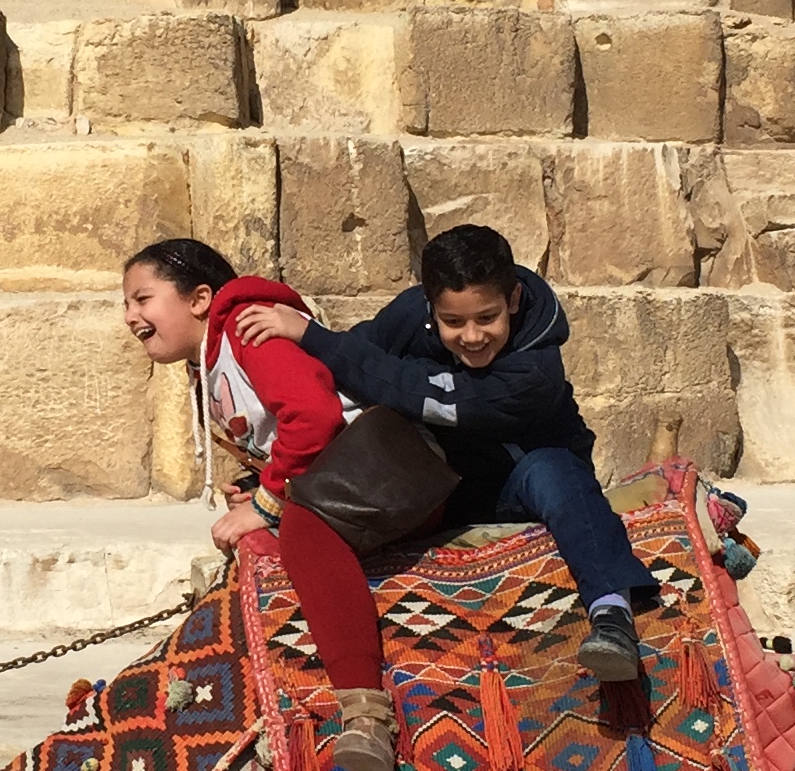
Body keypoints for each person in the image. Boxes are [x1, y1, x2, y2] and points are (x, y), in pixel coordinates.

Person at [234, 222, 657, 684]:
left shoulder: (536, 370)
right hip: (435, 483)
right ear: (431, 307)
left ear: (513, 301)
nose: (472, 337)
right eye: (453, 322)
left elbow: (426, 393)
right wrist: (269, 479)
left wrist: (316, 337)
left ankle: (611, 613)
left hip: (519, 482)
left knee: (557, 473)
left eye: (487, 317)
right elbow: (353, 371)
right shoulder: (411, 316)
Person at [119, 237, 399, 771]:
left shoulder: (249, 328)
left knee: (301, 532)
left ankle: (365, 711)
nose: (130, 317)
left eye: (142, 299)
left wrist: (269, 503)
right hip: (338, 477)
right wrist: (258, 486)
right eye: (128, 304)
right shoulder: (208, 360)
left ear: (200, 298)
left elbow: (315, 420)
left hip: (382, 471)